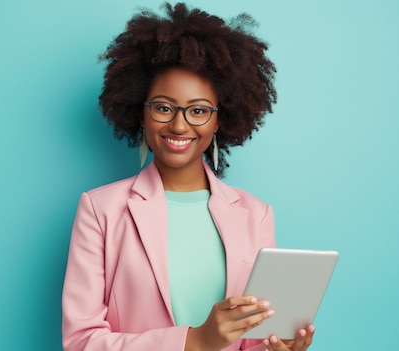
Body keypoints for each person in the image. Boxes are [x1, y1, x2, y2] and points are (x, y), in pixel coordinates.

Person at [61, 3, 315, 351]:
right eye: (164, 107)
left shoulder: (257, 214)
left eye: (198, 111)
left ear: (219, 120)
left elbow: (250, 340)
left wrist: (277, 349)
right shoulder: (99, 210)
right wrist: (194, 341)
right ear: (141, 113)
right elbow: (80, 342)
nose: (179, 125)